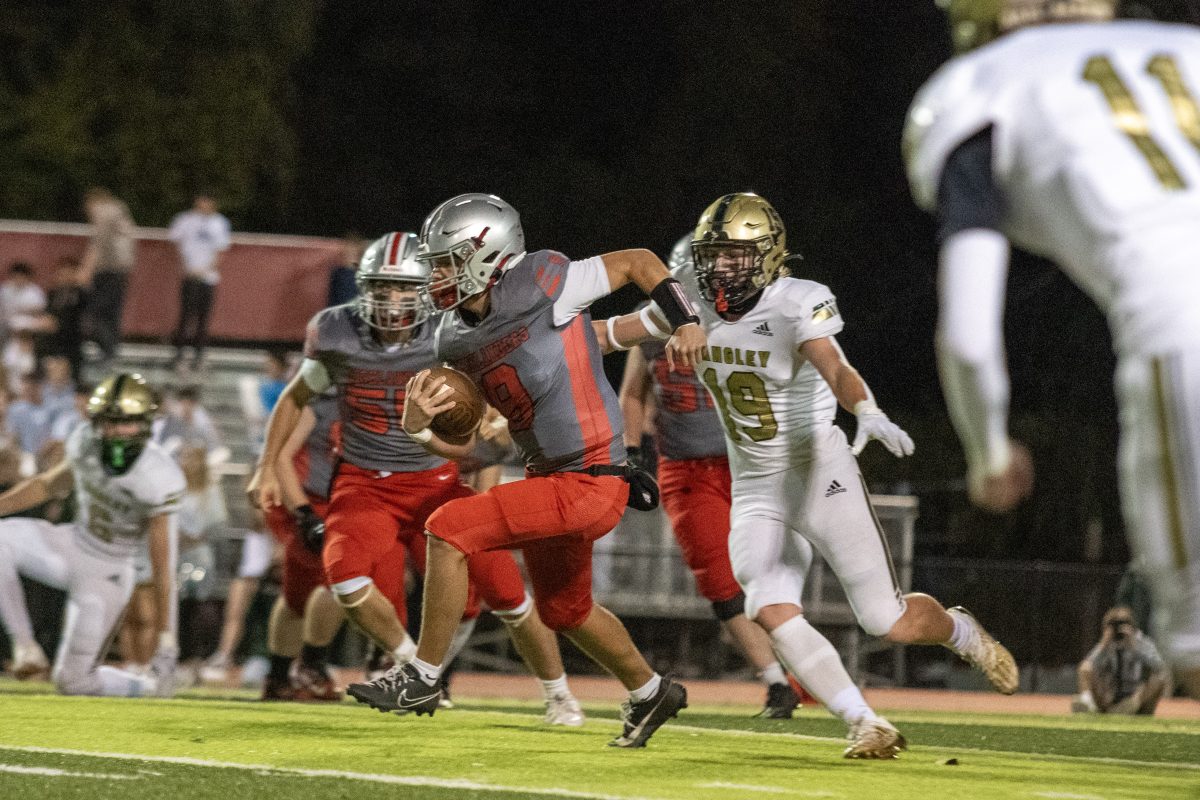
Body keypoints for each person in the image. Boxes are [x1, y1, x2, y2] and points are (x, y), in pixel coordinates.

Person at [603, 193, 1018, 758]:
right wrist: (547, 330)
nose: (720, 268)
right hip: (754, 483)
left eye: (735, 255)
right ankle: (865, 721)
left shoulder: (797, 302)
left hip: (817, 470)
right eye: (713, 255)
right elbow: (611, 333)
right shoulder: (689, 300)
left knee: (884, 620)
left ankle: (959, 630)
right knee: (767, 607)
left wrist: (865, 410)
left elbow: (836, 366)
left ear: (769, 257)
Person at [906, 0, 1200, 700]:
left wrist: (989, 451)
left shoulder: (979, 87)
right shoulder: (1183, 46)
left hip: (1179, 323)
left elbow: (971, 338)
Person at [347, 194, 706, 749]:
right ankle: (650, 690)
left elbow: (638, 260)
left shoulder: (542, 279)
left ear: (484, 255)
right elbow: (468, 446)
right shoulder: (452, 337)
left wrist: (686, 319)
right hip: (549, 478)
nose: (434, 275)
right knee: (567, 611)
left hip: (593, 477)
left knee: (447, 528)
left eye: (444, 261)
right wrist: (420, 429)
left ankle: (422, 677)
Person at [249, 230, 586, 726]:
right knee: (344, 578)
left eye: (404, 288)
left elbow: (498, 395)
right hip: (365, 484)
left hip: (438, 481)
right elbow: (296, 397)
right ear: (363, 289)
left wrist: (496, 421)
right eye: (381, 288)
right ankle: (413, 667)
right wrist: (265, 465)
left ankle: (560, 696)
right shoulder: (337, 333)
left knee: (508, 592)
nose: (392, 300)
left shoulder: (452, 332)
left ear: (426, 289)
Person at [618, 238, 798, 719]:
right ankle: (778, 682)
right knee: (718, 580)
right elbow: (633, 393)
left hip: (747, 463)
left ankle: (805, 666)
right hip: (684, 467)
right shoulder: (652, 319)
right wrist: (633, 453)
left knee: (765, 574)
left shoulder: (747, 319)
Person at [0, 373, 184, 695]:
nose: (115, 432)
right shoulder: (85, 440)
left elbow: (163, 566)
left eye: (125, 423)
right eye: (108, 422)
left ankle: (147, 689)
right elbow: (47, 485)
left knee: (73, 682)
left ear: (144, 423)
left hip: (109, 571)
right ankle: (25, 646)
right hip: (73, 544)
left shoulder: (158, 474)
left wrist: (167, 640)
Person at [261, 392, 345, 701]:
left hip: (346, 502)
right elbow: (281, 455)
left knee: (303, 595)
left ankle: (282, 674)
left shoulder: (379, 389)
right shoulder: (321, 395)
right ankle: (308, 667)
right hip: (310, 500)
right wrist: (303, 512)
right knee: (335, 582)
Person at [168, 193, 231, 371]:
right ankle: (179, 355)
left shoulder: (220, 223)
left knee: (203, 319)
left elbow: (221, 251)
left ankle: (199, 356)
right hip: (189, 276)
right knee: (185, 317)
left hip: (208, 278)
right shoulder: (185, 220)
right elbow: (175, 243)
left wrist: (205, 270)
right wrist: (186, 267)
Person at [1073, 606, 1169, 715]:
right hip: (1109, 696)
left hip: (1135, 697)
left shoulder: (1141, 643)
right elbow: (1089, 664)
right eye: (1114, 624)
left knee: (1160, 676)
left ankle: (1129, 708)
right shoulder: (1106, 645)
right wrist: (1103, 645)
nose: (1118, 628)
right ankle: (1088, 704)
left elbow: (1159, 666)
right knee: (1085, 668)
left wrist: (1135, 648)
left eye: (1123, 623)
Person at [79, 188, 136, 367]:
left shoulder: (104, 211)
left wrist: (86, 269)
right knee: (112, 313)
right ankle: (111, 352)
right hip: (121, 268)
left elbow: (99, 242)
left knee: (95, 312)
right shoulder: (119, 210)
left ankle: (107, 350)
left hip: (110, 268)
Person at [37, 256, 88, 381]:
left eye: (69, 273)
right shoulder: (53, 294)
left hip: (70, 343)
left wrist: (58, 324)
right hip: (51, 344)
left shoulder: (80, 295)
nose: (64, 277)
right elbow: (47, 314)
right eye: (62, 273)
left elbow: (80, 318)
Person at [0, 262, 47, 336]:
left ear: (27, 277)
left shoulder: (35, 291)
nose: (19, 279)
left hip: (27, 324)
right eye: (16, 276)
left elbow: (39, 312)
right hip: (5, 323)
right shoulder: (5, 289)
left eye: (21, 277)